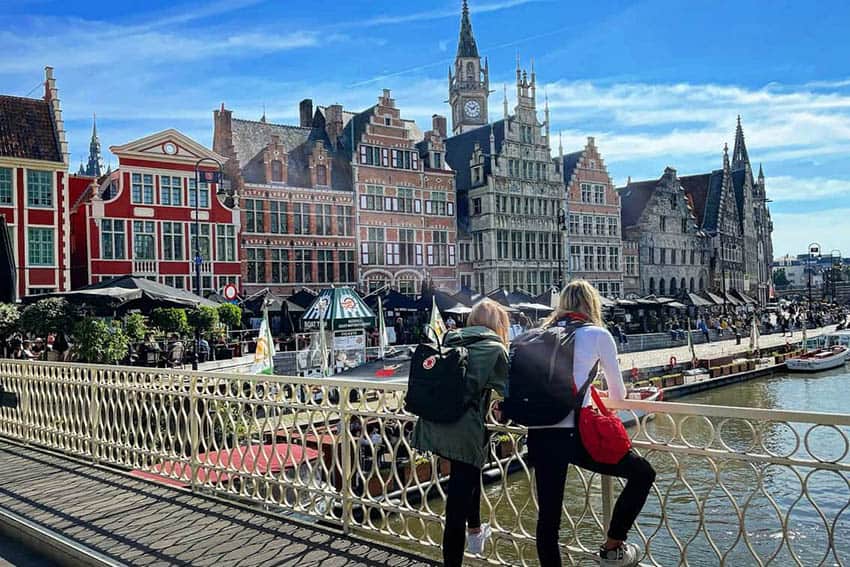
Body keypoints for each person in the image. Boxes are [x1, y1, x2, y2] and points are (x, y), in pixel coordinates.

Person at [527, 280, 655, 567]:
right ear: (591, 305)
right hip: (575, 433)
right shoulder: (597, 334)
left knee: (548, 519)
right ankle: (612, 546)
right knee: (643, 474)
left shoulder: (539, 333)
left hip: (538, 432)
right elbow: (619, 395)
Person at [411, 299, 510, 567]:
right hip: (463, 430)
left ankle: (476, 531)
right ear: (498, 324)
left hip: (434, 422)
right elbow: (508, 390)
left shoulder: (450, 338)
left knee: (466, 477)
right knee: (456, 505)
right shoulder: (494, 349)